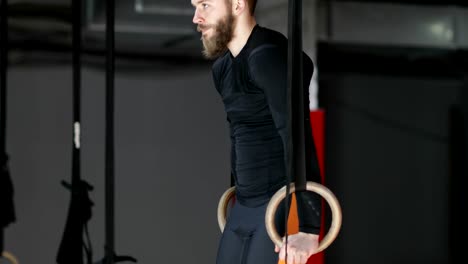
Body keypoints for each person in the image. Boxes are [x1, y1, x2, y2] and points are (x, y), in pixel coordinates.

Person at [191, 0, 322, 263]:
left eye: (205, 5)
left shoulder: (267, 55)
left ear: (237, 5)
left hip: (275, 206)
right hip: (243, 206)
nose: (196, 17)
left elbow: (297, 138)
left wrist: (309, 229)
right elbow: (238, 136)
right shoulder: (223, 70)